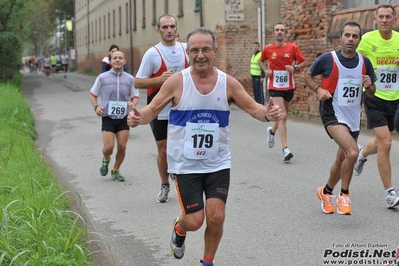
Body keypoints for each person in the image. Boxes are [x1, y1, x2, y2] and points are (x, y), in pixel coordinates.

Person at [127, 27, 282, 266]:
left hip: (217, 162)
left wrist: (269, 114)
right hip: (185, 164)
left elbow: (254, 109)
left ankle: (207, 262)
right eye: (195, 50)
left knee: (217, 216)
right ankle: (179, 228)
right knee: (195, 221)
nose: (201, 55)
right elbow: (152, 110)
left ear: (215, 51)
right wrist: (139, 117)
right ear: (188, 52)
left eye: (206, 49)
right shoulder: (177, 82)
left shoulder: (227, 83)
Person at [305, 21, 376, 215]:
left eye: (355, 36)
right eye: (347, 35)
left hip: (353, 117)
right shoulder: (328, 59)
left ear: (359, 40)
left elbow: (371, 93)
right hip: (332, 114)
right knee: (352, 152)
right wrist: (318, 89)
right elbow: (308, 75)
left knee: (342, 157)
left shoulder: (364, 62)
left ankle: (325, 191)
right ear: (341, 38)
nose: (350, 39)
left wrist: (369, 85)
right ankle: (344, 195)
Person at [134, 14, 189, 203]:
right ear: (158, 30)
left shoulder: (186, 49)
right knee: (163, 149)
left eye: (172, 26)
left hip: (182, 108)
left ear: (177, 28)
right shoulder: (152, 53)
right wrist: (159, 79)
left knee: (184, 147)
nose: (169, 30)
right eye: (165, 27)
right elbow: (137, 82)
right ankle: (165, 184)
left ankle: (182, 179)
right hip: (159, 109)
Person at [355, 4, 399, 209]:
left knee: (382, 141)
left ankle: (362, 154)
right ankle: (390, 193)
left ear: (394, 20)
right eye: (381, 16)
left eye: (388, 17)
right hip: (375, 97)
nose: (384, 20)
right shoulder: (367, 40)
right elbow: (355, 61)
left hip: (396, 98)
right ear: (375, 18)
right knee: (386, 142)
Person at [89, 51, 139, 182]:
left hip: (123, 117)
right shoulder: (102, 78)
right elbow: (92, 94)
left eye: (120, 58)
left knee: (122, 146)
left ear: (124, 61)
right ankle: (106, 159)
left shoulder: (130, 79)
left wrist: (132, 104)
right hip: (108, 116)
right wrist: (96, 107)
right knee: (108, 148)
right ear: (111, 62)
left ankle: (115, 170)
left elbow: (135, 96)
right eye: (115, 58)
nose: (117, 60)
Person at [259, 23, 306, 161]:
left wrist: (294, 67)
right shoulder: (268, 49)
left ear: (285, 33)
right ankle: (286, 149)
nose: (279, 32)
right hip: (274, 87)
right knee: (283, 116)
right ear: (273, 33)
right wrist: (266, 71)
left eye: (282, 30)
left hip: (289, 87)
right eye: (277, 30)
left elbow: (303, 62)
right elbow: (261, 61)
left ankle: (272, 131)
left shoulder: (293, 48)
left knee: (282, 116)